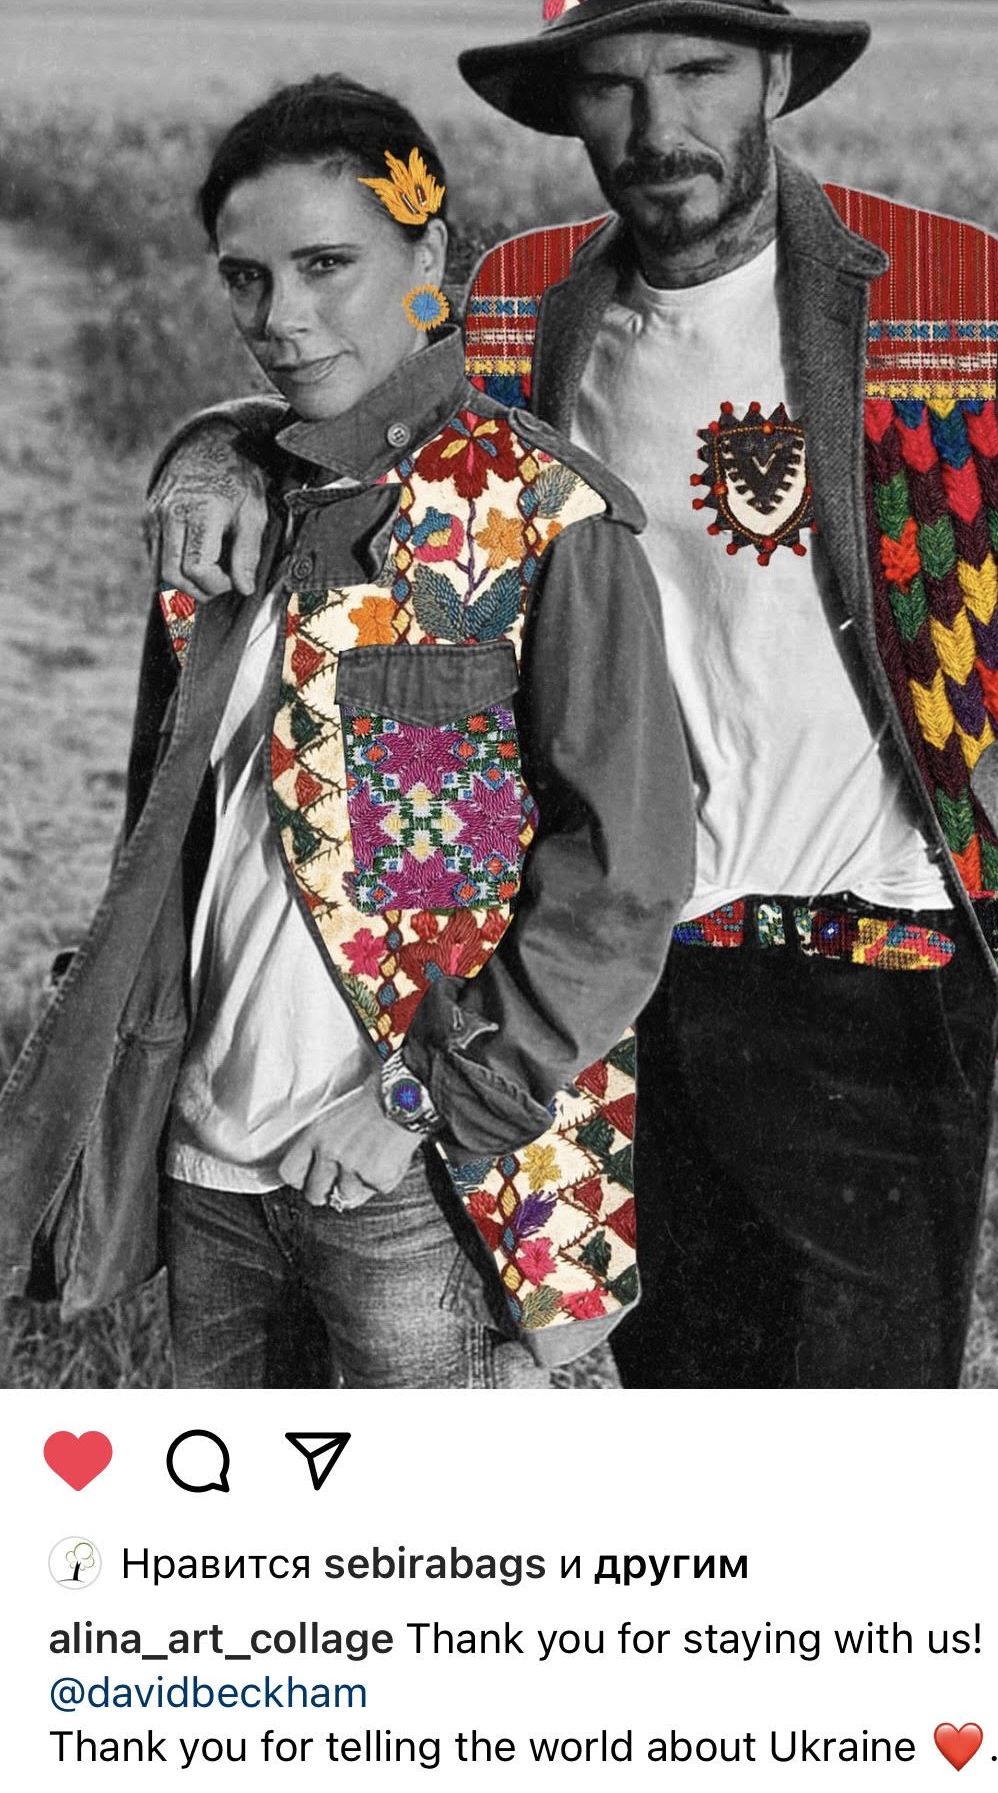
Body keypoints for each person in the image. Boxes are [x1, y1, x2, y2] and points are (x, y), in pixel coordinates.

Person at [137, 0, 998, 1389]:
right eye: (613, 84)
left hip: (877, 949)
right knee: (652, 1393)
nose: (659, 126)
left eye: (699, 72)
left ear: (775, 76)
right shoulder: (517, 305)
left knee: (858, 1413)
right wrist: (210, 454)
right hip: (607, 968)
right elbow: (338, 392)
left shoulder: (955, 291)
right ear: (570, 107)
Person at [0, 73, 693, 1389]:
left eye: (328, 265)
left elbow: (629, 876)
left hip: (424, 1176)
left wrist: (415, 1103)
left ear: (430, 259)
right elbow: (172, 836)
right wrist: (210, 445)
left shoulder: (545, 519)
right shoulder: (226, 517)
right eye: (246, 277)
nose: (282, 317)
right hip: (210, 1159)